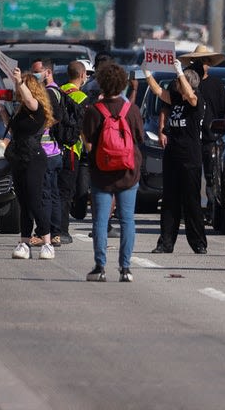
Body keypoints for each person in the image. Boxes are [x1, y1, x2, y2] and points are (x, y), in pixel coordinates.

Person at [81, 62, 143, 283]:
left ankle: (100, 267)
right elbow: (139, 138)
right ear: (123, 84)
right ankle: (125, 268)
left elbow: (87, 140)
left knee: (100, 220)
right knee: (127, 219)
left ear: (101, 83)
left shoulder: (94, 111)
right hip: (128, 172)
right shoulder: (131, 110)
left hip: (101, 173)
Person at [145, 59, 207, 254]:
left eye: (179, 81)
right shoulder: (176, 100)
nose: (176, 84)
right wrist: (147, 73)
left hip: (190, 158)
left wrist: (180, 70)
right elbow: (158, 92)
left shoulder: (196, 100)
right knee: (170, 201)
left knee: (191, 201)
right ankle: (166, 242)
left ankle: (198, 242)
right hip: (172, 156)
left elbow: (190, 94)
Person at [3, 66, 55, 260]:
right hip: (19, 157)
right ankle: (24, 242)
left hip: (34, 157)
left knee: (34, 200)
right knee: (23, 202)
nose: (18, 92)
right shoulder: (21, 111)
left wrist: (19, 81)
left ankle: (47, 242)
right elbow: (14, 130)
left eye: (22, 89)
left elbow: (29, 99)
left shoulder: (36, 108)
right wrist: (2, 112)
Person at [177, 45, 225, 222]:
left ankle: (210, 210)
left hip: (210, 139)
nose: (201, 65)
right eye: (197, 61)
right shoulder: (187, 84)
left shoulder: (217, 85)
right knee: (189, 177)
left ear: (210, 63)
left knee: (211, 177)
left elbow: (222, 111)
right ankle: (188, 211)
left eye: (204, 61)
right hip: (189, 137)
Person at [30, 58, 64, 247]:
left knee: (44, 194)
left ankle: (45, 233)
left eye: (37, 72)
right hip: (54, 152)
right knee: (53, 194)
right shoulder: (56, 91)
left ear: (47, 72)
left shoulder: (49, 94)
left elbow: (54, 118)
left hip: (47, 152)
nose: (35, 75)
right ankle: (55, 232)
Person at [56, 60, 90, 244]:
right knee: (66, 192)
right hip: (71, 150)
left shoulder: (58, 92)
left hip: (53, 148)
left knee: (54, 189)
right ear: (82, 75)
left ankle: (50, 227)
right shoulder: (81, 98)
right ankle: (61, 231)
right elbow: (84, 127)